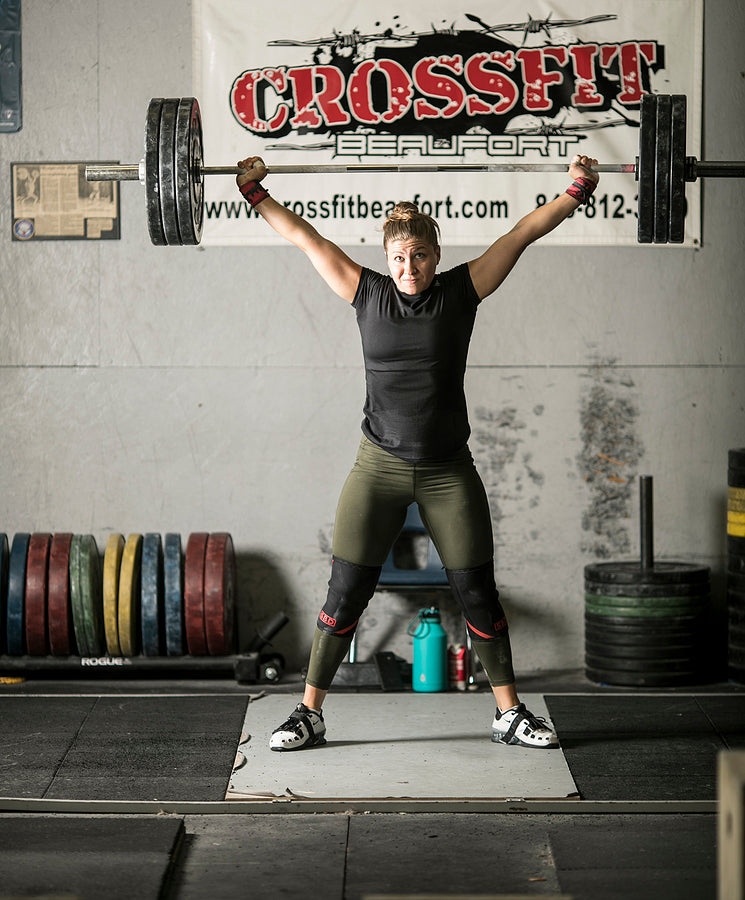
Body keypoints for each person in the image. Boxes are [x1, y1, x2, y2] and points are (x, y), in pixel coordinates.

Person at [236, 153, 599, 751]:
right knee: (344, 592)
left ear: (436, 254)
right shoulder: (365, 292)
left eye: (420, 256)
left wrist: (577, 190)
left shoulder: (462, 291)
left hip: (446, 471)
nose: (409, 268)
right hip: (376, 467)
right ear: (387, 259)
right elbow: (305, 237)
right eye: (399, 258)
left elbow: (522, 233)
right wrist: (256, 192)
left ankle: (508, 713)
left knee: (478, 590)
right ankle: (309, 713)